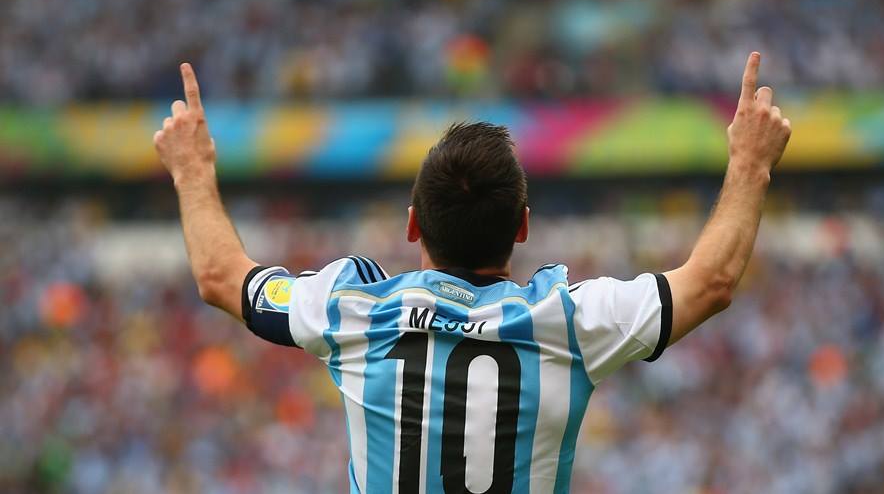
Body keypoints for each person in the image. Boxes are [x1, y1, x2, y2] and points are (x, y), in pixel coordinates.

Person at [153, 52, 792, 494]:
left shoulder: (347, 308)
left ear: (412, 225)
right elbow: (711, 282)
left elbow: (220, 276)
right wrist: (750, 163)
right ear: (522, 226)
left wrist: (191, 170)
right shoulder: (569, 324)